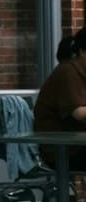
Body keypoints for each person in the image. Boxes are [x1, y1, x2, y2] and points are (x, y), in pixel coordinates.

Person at [33, 26, 86, 170]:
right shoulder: (67, 72)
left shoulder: (80, 74)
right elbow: (79, 113)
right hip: (61, 152)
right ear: (82, 52)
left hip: (75, 146)